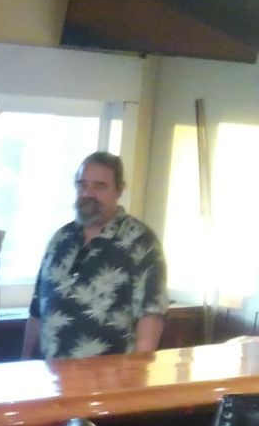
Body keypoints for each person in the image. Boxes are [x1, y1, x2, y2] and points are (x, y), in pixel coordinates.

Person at [23, 151, 168, 360]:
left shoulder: (142, 243)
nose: (88, 193)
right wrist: (24, 360)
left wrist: (136, 383)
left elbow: (150, 323)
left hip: (109, 385)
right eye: (82, 185)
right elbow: (37, 311)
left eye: (99, 186)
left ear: (119, 190)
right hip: (51, 380)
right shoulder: (60, 239)